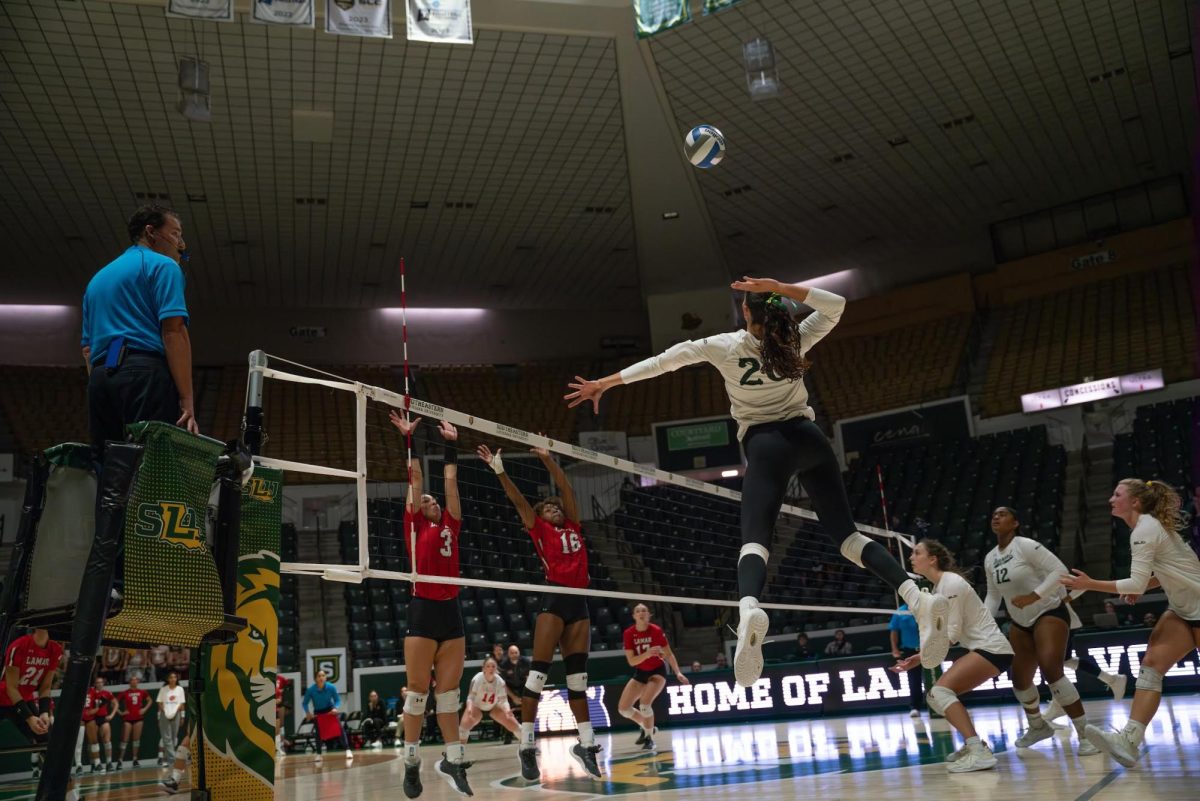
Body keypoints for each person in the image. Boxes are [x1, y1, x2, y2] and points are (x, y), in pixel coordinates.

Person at [565, 276, 950, 689]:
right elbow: (836, 304)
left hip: (766, 446)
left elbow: (665, 361)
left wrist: (606, 382)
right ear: (777, 309)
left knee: (755, 540)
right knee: (847, 536)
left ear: (745, 313)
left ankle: (750, 610)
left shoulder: (726, 345)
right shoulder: (795, 339)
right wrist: (781, 286)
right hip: (810, 439)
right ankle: (916, 596)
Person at [477, 439, 602, 782]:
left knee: (578, 680)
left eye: (556, 508)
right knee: (537, 677)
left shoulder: (573, 524)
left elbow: (565, 487)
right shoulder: (539, 529)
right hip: (554, 599)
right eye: (548, 509)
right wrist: (500, 470)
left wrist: (549, 460)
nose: (554, 510)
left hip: (580, 602)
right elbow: (518, 501)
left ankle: (586, 744)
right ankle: (527, 746)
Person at [1061, 479, 1200, 766]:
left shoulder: (1144, 529)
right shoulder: (1147, 527)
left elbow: (1134, 583)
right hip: (1184, 608)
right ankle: (1129, 739)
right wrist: (1146, 585)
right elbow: (1165, 572)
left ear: (1134, 502)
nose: (1111, 499)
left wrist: (1088, 583)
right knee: (1151, 664)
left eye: (1117, 494)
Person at [389, 412, 473, 798]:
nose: (430, 500)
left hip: (450, 609)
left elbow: (450, 481)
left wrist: (451, 444)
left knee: (450, 695)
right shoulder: (414, 525)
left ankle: (454, 759)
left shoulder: (451, 523)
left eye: (433, 499)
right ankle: (411, 761)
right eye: (424, 501)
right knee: (418, 691)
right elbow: (417, 480)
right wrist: (411, 440)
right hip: (423, 609)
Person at [82, 204, 198, 463]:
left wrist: (107, 385)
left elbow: (87, 349)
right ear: (151, 232)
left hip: (101, 377)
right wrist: (187, 399)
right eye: (176, 233)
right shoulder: (164, 267)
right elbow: (174, 331)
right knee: (150, 463)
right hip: (144, 372)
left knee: (109, 464)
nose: (181, 243)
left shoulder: (97, 279)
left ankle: (109, 506)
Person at [891, 540, 1014, 773]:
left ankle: (979, 751)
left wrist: (923, 654)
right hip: (987, 650)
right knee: (935, 697)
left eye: (917, 553)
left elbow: (952, 634)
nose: (911, 558)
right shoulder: (938, 589)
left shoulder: (951, 582)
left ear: (932, 559)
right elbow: (942, 636)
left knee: (940, 691)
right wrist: (919, 657)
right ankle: (974, 746)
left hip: (992, 648)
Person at [981, 506, 1096, 755]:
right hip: (1020, 622)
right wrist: (981, 624)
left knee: (1051, 670)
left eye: (1003, 514)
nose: (996, 517)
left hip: (1049, 611)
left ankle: (1086, 735)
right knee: (1019, 680)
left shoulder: (1026, 546)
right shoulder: (990, 558)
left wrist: (1035, 596)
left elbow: (1060, 571)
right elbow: (992, 596)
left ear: (1015, 522)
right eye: (994, 514)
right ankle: (1037, 726)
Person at [619, 603, 688, 752]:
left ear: (649, 615)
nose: (641, 613)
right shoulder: (629, 633)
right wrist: (647, 654)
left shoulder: (656, 631)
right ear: (634, 616)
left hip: (657, 671)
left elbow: (668, 654)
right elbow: (632, 661)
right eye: (637, 611)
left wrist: (678, 672)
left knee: (644, 704)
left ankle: (649, 737)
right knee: (623, 709)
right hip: (641, 672)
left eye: (644, 610)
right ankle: (647, 726)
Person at [0, 628, 63, 775]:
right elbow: (11, 688)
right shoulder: (19, 645)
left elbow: (46, 687)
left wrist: (44, 713)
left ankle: (70, 795)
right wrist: (29, 718)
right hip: (5, 696)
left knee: (50, 744)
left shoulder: (55, 649)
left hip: (23, 698)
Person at [459, 657, 522, 744]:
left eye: (493, 666)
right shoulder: (477, 679)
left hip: (494, 707)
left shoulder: (500, 681)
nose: (491, 668)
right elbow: (471, 697)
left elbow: (503, 700)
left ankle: (529, 748)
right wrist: (469, 708)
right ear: (483, 668)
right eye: (488, 666)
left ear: (496, 669)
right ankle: (458, 755)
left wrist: (507, 710)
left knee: (517, 727)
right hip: (477, 706)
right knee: (462, 730)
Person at [301, 670, 352, 764]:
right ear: (315, 679)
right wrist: (307, 712)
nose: (321, 678)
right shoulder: (311, 690)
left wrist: (336, 708)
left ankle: (348, 750)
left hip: (330, 711)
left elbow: (337, 700)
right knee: (318, 734)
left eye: (323, 675)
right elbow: (304, 703)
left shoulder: (331, 687)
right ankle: (319, 754)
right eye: (319, 676)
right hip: (318, 713)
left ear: (325, 677)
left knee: (340, 730)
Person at [888, 605, 922, 717]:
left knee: (934, 676)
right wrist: (895, 649)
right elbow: (894, 631)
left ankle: (939, 705)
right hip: (910, 650)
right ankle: (915, 707)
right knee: (913, 679)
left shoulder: (925, 606)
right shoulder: (900, 612)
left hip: (927, 648)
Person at [114, 674, 151, 769]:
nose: (134, 682)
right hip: (127, 719)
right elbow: (114, 702)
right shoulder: (125, 693)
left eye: (136, 680)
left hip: (138, 718)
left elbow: (150, 701)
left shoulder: (142, 692)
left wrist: (144, 709)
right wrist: (120, 712)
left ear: (138, 682)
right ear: (129, 682)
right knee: (124, 740)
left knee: (136, 740)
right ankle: (120, 760)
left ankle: (135, 760)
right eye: (132, 680)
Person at [83, 675, 117, 772]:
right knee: (92, 742)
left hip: (103, 718)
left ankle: (109, 763)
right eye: (97, 682)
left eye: (101, 682)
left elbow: (116, 703)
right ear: (94, 684)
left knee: (107, 740)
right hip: (93, 718)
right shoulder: (91, 692)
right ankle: (94, 763)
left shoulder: (106, 693)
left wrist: (112, 715)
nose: (99, 684)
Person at [156, 671, 185, 767]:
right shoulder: (163, 690)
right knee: (166, 738)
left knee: (173, 738)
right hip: (165, 714)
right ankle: (173, 759)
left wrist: (182, 716)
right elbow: (159, 703)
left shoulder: (180, 689)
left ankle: (167, 759)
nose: (173, 679)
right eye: (171, 677)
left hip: (176, 714)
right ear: (168, 679)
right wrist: (160, 715)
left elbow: (182, 703)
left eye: (174, 677)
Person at [498, 645, 529, 712]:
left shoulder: (526, 662)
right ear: (508, 654)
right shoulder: (503, 665)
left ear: (519, 652)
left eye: (516, 652)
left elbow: (529, 679)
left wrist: (525, 695)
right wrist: (513, 697)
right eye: (512, 653)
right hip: (509, 690)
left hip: (523, 688)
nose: (514, 655)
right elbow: (503, 684)